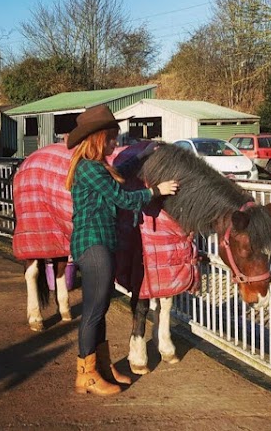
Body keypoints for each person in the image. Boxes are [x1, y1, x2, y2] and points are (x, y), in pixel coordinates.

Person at [65, 104, 178, 396]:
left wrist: (142, 155)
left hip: (100, 244)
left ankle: (100, 366)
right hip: (94, 246)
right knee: (93, 310)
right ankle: (86, 374)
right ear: (98, 138)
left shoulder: (97, 166)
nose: (116, 143)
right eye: (112, 138)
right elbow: (122, 197)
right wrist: (156, 191)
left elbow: (118, 174)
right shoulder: (89, 169)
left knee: (98, 309)